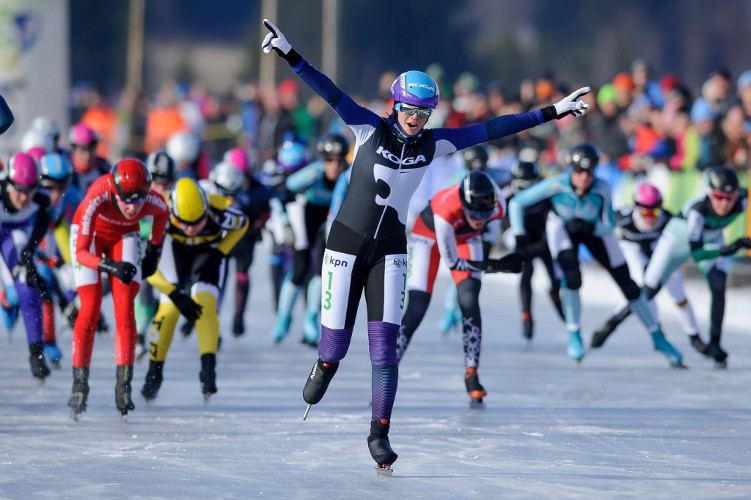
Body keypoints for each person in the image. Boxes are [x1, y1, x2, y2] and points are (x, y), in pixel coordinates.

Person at [262, 18, 590, 470]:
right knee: (336, 345)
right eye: (409, 110)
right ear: (395, 105)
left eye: (424, 112)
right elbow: (329, 91)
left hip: (391, 251)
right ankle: (325, 365)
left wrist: (552, 111)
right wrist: (290, 54)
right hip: (345, 246)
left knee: (384, 347)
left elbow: (495, 128)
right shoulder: (367, 128)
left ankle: (380, 434)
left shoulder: (435, 144)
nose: (416, 119)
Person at [508, 144, 684, 367]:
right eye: (579, 172)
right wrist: (519, 234)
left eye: (589, 172)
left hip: (592, 231)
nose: (584, 177)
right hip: (562, 229)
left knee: (629, 286)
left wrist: (589, 228)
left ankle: (658, 338)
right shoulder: (557, 183)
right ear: (571, 170)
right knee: (572, 279)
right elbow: (516, 203)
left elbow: (609, 225)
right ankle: (574, 334)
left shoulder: (602, 187)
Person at [592, 167, 749, 367]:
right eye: (718, 197)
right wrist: (730, 248)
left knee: (718, 286)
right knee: (647, 293)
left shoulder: (743, 199)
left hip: (712, 241)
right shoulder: (697, 212)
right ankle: (609, 325)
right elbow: (697, 253)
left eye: (730, 198)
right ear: (709, 193)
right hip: (678, 243)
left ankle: (714, 344)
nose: (724, 204)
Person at [396, 171, 522, 406]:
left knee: (469, 300)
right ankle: (388, 367)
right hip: (428, 234)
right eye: (474, 213)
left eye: (485, 214)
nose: (479, 219)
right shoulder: (446, 209)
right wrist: (496, 265)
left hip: (466, 237)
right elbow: (453, 262)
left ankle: (472, 373)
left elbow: (500, 229)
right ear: (464, 203)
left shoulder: (498, 207)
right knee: (417, 306)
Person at [67, 159, 169, 419]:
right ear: (114, 191)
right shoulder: (97, 196)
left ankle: (124, 385)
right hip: (88, 239)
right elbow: (80, 253)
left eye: (139, 201)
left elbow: (162, 212)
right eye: (126, 200)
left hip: (124, 237)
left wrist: (154, 252)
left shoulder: (151, 201)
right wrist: (110, 266)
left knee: (125, 309)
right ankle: (80, 384)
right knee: (89, 307)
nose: (132, 207)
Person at [141, 178, 248, 402]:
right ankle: (154, 370)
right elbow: (148, 269)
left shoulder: (221, 211)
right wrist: (174, 294)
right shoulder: (159, 212)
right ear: (173, 214)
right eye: (184, 224)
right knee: (168, 310)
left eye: (197, 222)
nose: (190, 229)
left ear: (206, 211)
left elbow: (243, 223)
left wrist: (221, 253)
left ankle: (208, 369)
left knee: (205, 305)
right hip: (174, 249)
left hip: (207, 252)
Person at [590, 183, 701, 351]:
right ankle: (657, 333)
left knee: (677, 286)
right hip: (632, 248)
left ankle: (694, 336)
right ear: (635, 208)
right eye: (644, 212)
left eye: (655, 212)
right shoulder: (622, 217)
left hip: (658, 249)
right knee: (641, 284)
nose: (650, 217)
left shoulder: (669, 219)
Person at [270, 133, 349, 345]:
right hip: (303, 217)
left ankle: (310, 318)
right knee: (300, 267)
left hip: (326, 223)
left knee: (322, 271)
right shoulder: (312, 173)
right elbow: (281, 191)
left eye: (339, 161)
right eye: (329, 160)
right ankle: (283, 319)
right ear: (323, 160)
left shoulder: (348, 175)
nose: (334, 166)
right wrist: (284, 221)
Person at [0, 153, 52, 379]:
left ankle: (36, 353)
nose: (23, 197)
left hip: (13, 233)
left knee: (28, 283)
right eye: (19, 190)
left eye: (29, 190)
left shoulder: (42, 198)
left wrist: (29, 250)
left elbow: (40, 227)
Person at [500, 159, 564, 340]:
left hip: (540, 234)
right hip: (517, 234)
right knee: (527, 269)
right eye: (522, 188)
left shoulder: (545, 186)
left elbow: (556, 211)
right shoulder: (505, 191)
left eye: (531, 187)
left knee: (555, 275)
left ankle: (558, 299)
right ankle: (526, 315)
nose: (527, 193)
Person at [135, 151, 177, 359]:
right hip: (144, 248)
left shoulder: (176, 196)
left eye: (166, 182)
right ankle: (139, 334)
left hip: (168, 252)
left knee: (165, 296)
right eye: (156, 182)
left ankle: (146, 333)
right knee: (143, 290)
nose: (160, 187)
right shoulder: (139, 193)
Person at [69, 123, 111, 193]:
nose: (87, 156)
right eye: (82, 150)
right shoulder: (66, 172)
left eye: (91, 149)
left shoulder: (104, 168)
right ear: (74, 150)